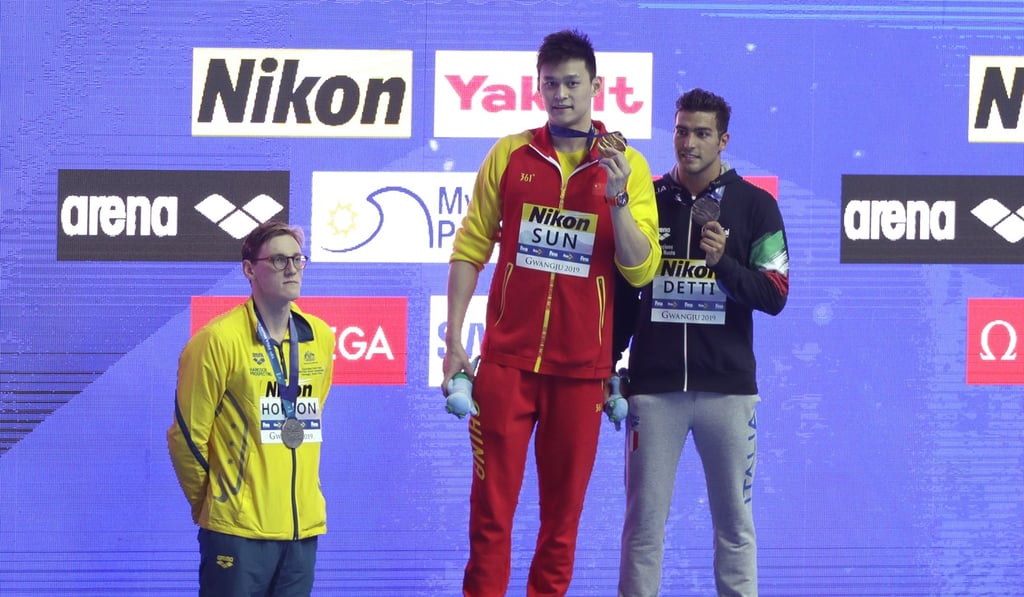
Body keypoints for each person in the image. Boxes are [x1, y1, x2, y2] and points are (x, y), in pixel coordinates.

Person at [442, 29, 662, 597]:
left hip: (581, 373)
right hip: (506, 368)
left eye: (572, 83)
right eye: (550, 84)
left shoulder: (628, 167)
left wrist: (615, 199)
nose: (561, 94)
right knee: (489, 519)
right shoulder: (511, 153)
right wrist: (454, 343)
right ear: (538, 87)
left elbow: (639, 270)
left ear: (596, 86)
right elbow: (470, 247)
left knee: (560, 530)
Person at [613, 88, 790, 597]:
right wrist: (611, 365)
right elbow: (627, 291)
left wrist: (724, 265)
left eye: (701, 133)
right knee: (642, 529)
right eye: (681, 130)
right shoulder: (645, 198)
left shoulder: (757, 205)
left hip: (730, 394)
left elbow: (776, 293)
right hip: (653, 389)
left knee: (735, 529)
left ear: (724, 140)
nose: (688, 142)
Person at [168, 220, 336, 596]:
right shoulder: (216, 341)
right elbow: (187, 438)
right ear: (249, 269)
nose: (292, 269)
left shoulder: (320, 338)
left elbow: (310, 419)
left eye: (297, 259)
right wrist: (216, 504)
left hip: (302, 530)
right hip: (237, 532)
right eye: (278, 260)